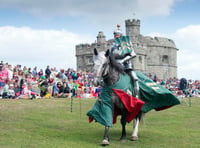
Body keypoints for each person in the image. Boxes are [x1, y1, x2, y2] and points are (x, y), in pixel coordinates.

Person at [110, 24, 139, 97]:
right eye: (115, 35)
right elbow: (110, 55)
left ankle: (136, 94)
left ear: (120, 35)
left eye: (117, 35)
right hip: (115, 65)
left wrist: (122, 61)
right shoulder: (113, 45)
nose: (116, 36)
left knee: (135, 78)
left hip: (126, 65)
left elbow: (133, 54)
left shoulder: (127, 43)